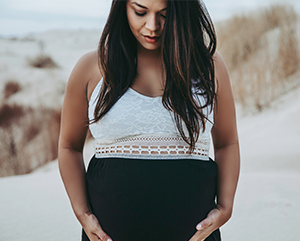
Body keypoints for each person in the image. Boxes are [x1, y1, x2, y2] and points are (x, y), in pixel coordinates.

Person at [58, 0, 240, 240]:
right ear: (122, 7)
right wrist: (82, 213)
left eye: (165, 14)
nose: (152, 26)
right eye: (140, 12)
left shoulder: (208, 66)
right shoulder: (91, 68)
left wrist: (226, 207)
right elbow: (68, 146)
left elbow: (227, 143)